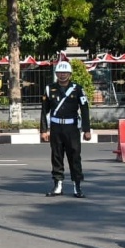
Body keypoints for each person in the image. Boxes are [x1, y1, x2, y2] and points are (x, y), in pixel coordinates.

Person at [40, 60, 91, 198]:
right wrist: (43, 130)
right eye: (60, 72)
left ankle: (77, 187)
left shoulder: (78, 89)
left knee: (74, 156)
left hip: (72, 128)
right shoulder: (49, 89)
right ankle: (58, 185)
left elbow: (85, 109)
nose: (62, 75)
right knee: (56, 156)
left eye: (65, 73)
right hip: (56, 128)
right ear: (56, 74)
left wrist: (87, 129)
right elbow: (44, 111)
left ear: (70, 74)